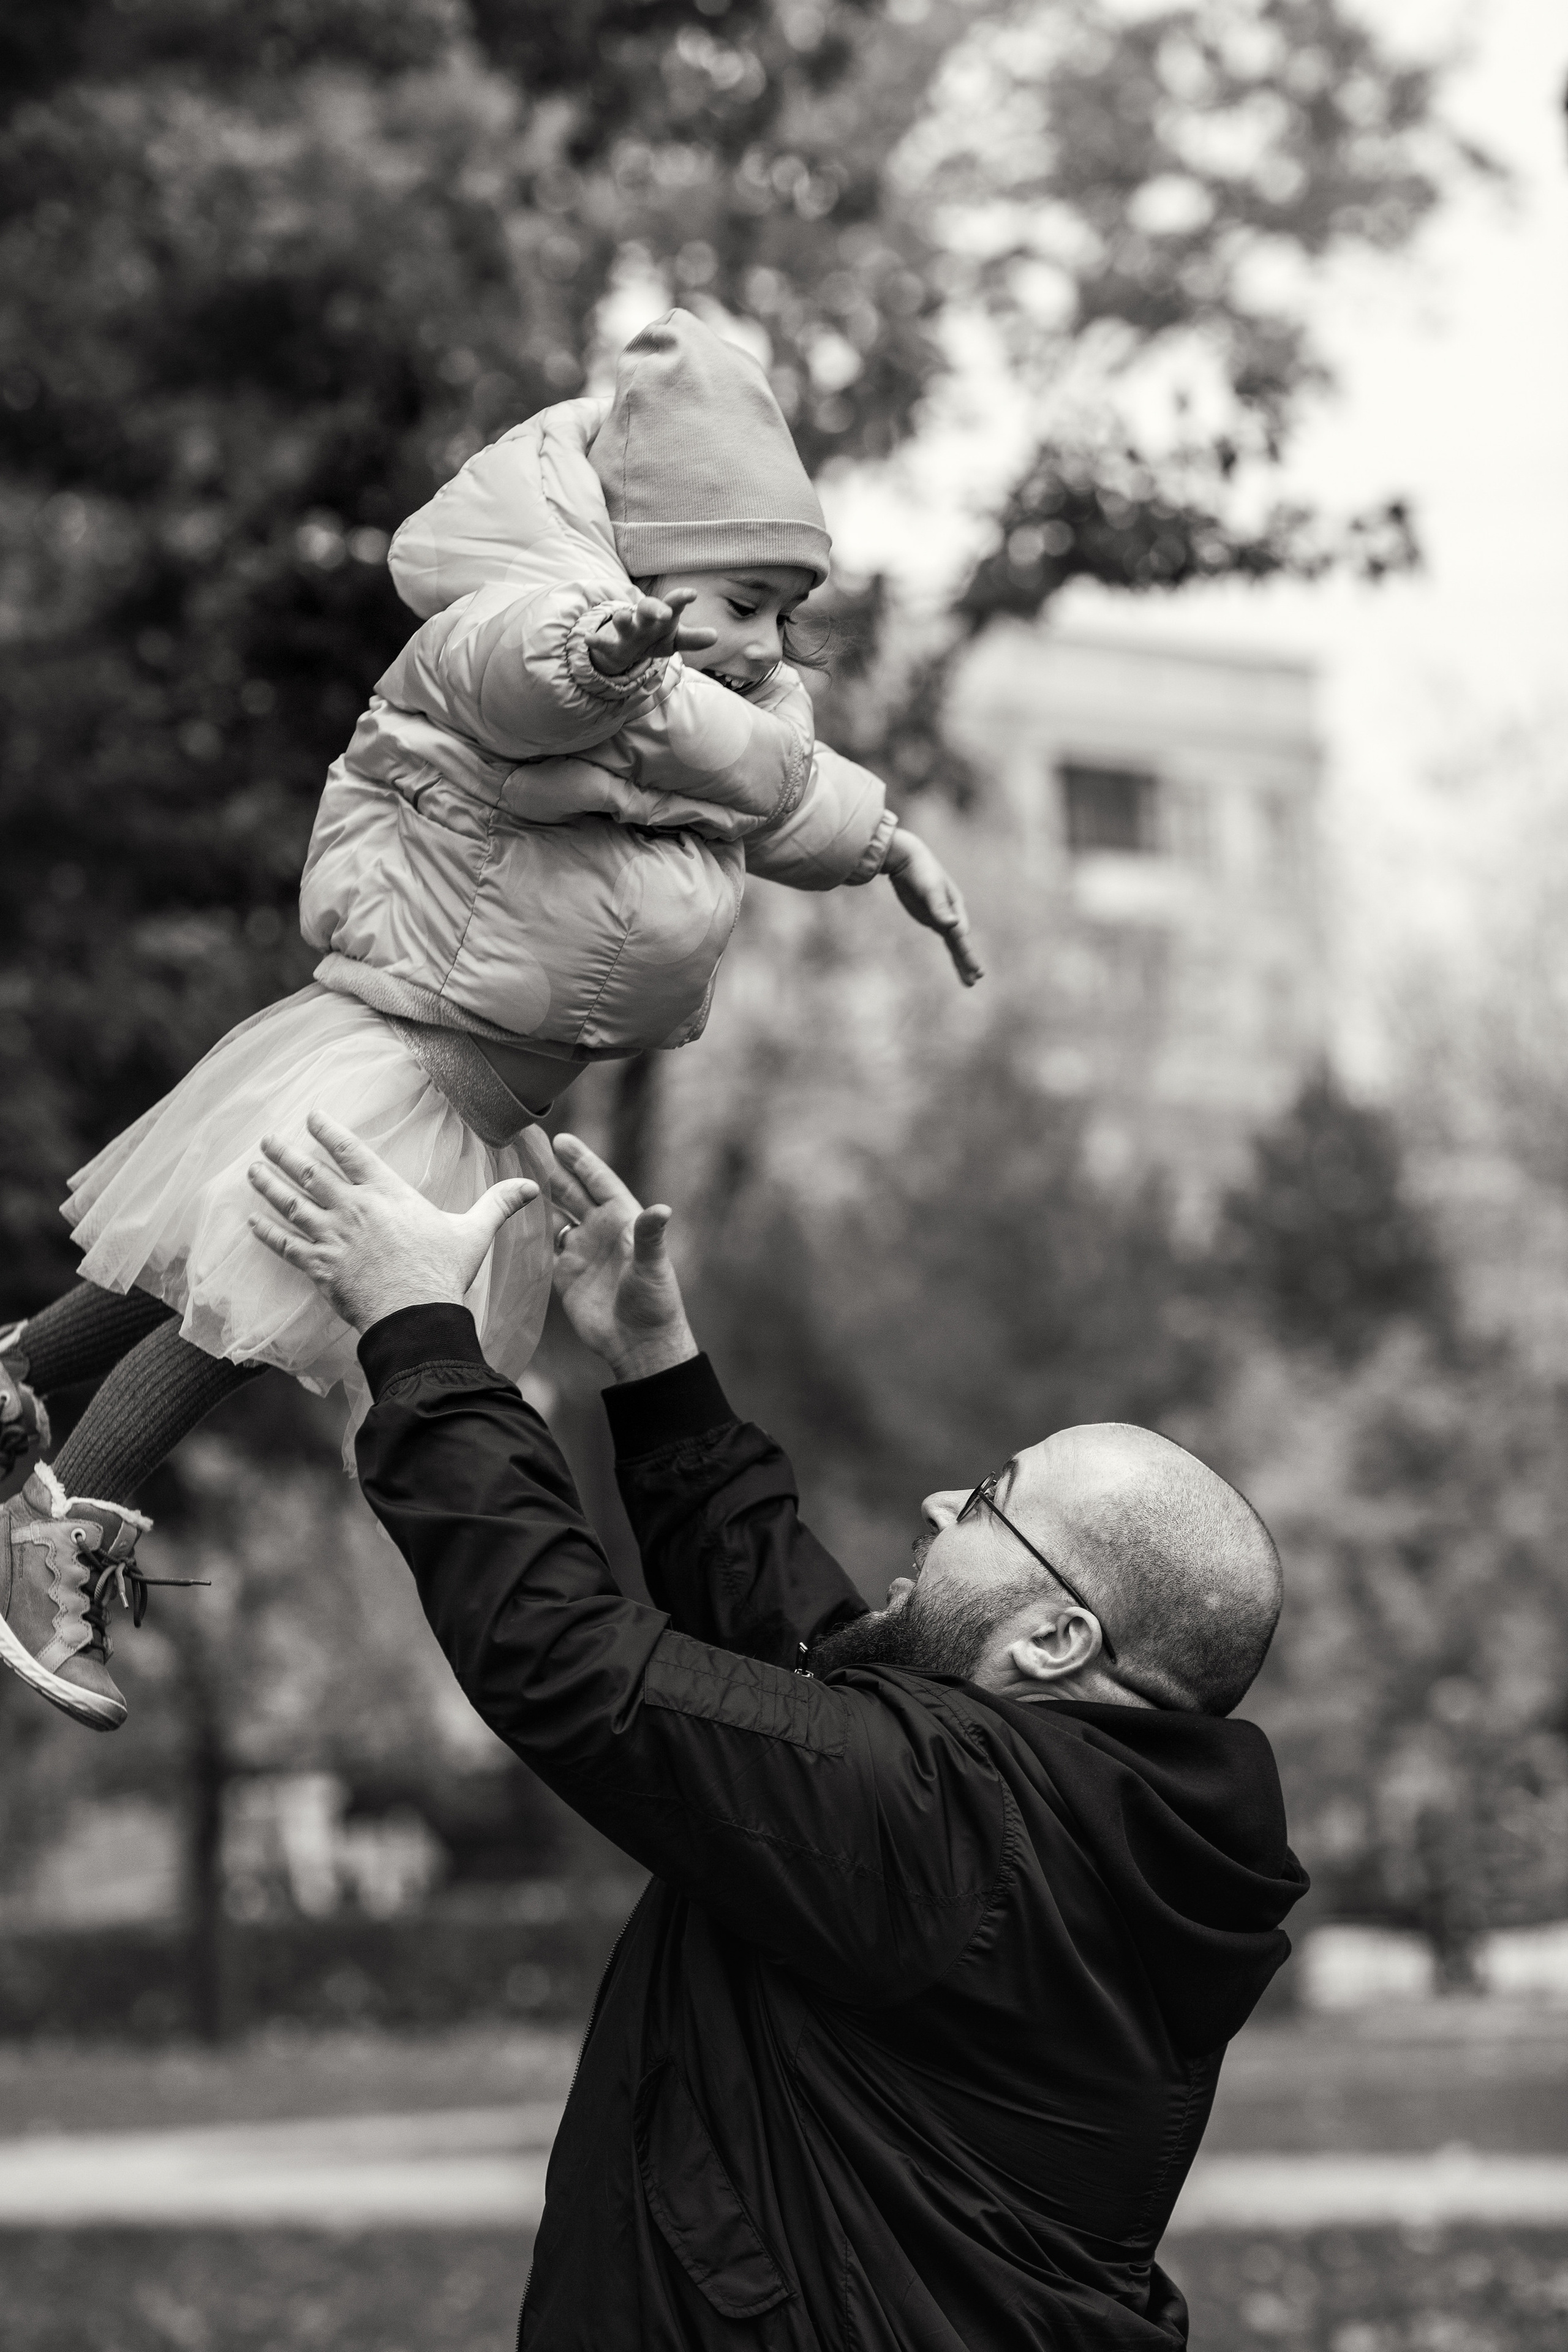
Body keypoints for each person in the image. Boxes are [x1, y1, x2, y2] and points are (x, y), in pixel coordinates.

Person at [0, 308, 978, 1735]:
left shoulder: (713, 714)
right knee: (233, 1310)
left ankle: (11, 1374)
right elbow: (520, 667)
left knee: (187, 1269)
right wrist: (599, 646)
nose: (766, 645)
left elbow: (779, 786)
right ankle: (57, 1546)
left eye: (783, 611)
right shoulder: (530, 635)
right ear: (635, 560)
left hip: (454, 1085)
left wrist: (887, 845)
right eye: (742, 599)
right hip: (405, 1063)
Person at [235, 1109, 1308, 2350]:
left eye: (989, 1503)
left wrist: (418, 1334)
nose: (939, 1499)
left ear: (1055, 1641)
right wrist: (657, 1367)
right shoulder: (1073, 1830)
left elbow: (572, 1663)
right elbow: (803, 1657)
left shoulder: (946, 1824)